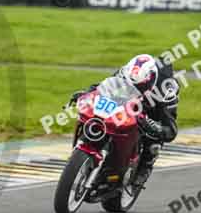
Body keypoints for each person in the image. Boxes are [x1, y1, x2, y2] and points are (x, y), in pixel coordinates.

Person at [70, 54, 179, 188]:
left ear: (149, 80)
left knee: (152, 140)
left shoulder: (167, 90)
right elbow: (104, 86)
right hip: (130, 102)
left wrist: (153, 126)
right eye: (130, 82)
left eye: (138, 85)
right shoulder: (127, 72)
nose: (134, 85)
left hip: (153, 108)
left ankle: (145, 167)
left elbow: (171, 130)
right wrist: (87, 93)